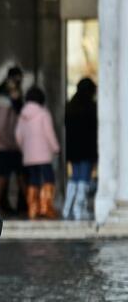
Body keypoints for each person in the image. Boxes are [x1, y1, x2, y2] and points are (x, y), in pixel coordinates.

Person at [15, 87, 60, 219]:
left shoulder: (22, 115)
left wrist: (24, 149)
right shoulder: (43, 113)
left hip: (29, 155)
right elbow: (49, 133)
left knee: (33, 180)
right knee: (48, 179)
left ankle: (33, 210)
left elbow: (18, 135)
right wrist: (56, 148)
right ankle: (46, 208)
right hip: (44, 154)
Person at [0, 67, 26, 215]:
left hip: (9, 145)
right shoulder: (4, 105)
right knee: (5, 175)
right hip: (7, 145)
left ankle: (26, 206)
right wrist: (13, 144)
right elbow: (1, 128)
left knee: (14, 174)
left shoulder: (7, 103)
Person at [63, 78, 97, 220]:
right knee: (83, 179)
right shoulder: (91, 107)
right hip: (87, 148)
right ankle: (79, 209)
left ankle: (67, 208)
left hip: (73, 149)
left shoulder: (70, 106)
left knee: (75, 178)